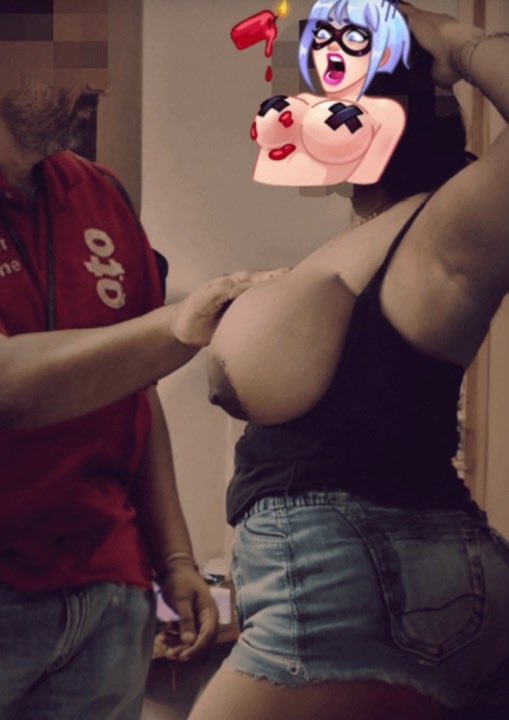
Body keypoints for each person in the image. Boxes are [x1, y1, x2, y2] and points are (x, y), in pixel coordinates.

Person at [190, 4, 509, 720]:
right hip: (373, 565)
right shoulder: (382, 234)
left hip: (363, 567)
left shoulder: (447, 225)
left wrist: (451, 40)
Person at [0, 32, 284, 720]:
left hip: (108, 593)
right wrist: (177, 323)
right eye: (69, 59)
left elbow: (135, 385)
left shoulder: (99, 192)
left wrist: (174, 557)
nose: (95, 84)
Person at [252, 0, 411, 186]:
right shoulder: (302, 102)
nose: (333, 46)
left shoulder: (386, 114)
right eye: (323, 34)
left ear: (383, 56)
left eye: (354, 37)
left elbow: (365, 178)